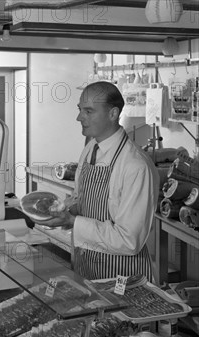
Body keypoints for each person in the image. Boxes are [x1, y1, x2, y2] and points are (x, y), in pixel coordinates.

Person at [45, 81, 158, 281]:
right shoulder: (90, 148)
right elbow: (81, 199)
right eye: (80, 110)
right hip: (86, 267)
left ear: (113, 114)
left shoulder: (136, 166)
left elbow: (129, 240)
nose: (79, 117)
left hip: (123, 278)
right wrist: (65, 211)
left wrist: (73, 222)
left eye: (88, 111)